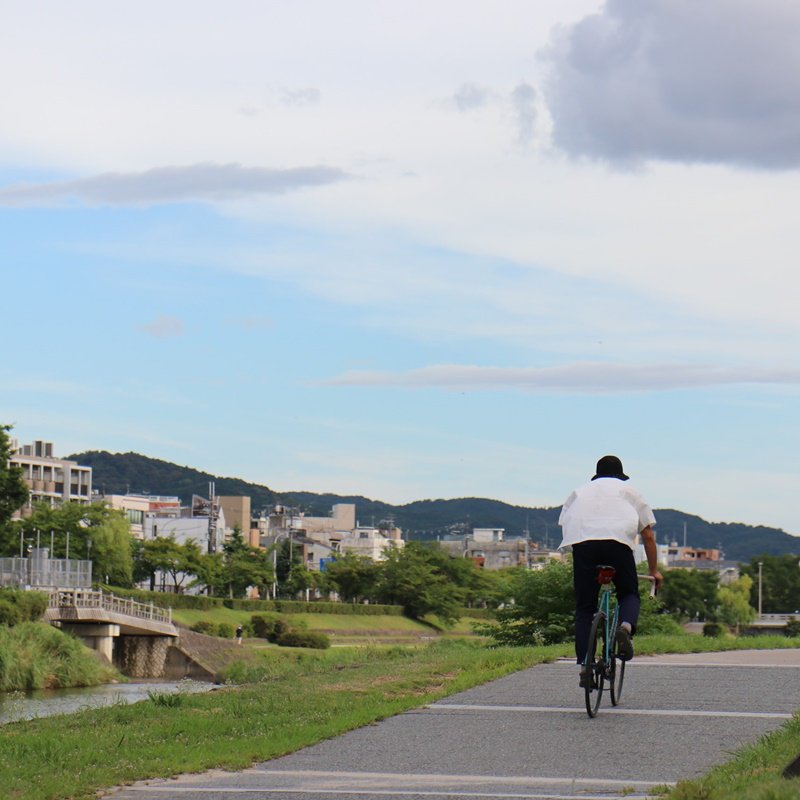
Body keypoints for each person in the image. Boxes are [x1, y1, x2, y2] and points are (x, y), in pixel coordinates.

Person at [558, 455, 663, 688]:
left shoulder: (579, 492)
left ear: (596, 475)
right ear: (620, 476)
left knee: (585, 607)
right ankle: (625, 627)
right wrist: (654, 571)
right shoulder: (630, 491)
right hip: (617, 543)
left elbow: (565, 524)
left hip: (583, 543)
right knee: (628, 593)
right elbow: (648, 535)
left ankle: (585, 664)